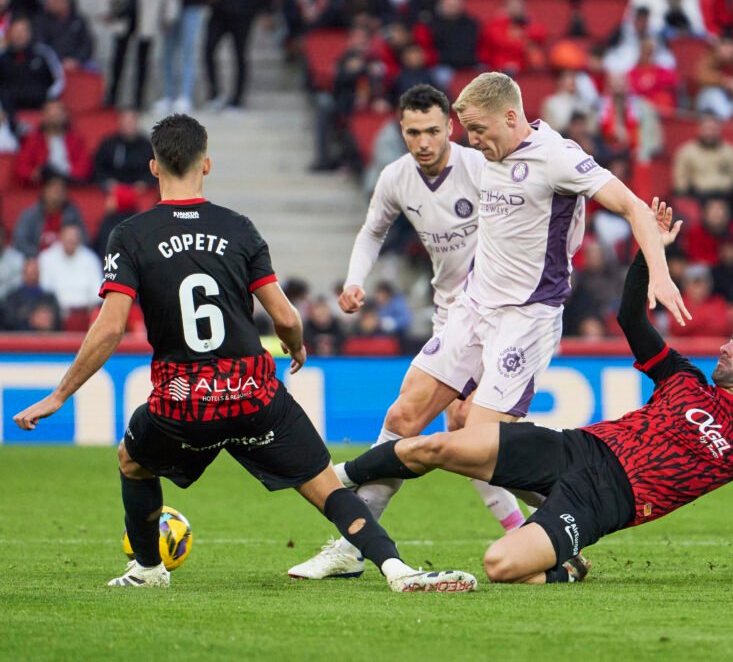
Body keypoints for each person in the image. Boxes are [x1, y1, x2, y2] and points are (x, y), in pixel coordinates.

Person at [12, 114, 476, 593]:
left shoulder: (130, 235)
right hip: (252, 390)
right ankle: (397, 570)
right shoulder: (239, 229)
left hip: (184, 399)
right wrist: (295, 348)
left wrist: (60, 395)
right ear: (206, 164)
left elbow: (109, 329)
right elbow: (286, 317)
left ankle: (149, 570)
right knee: (324, 487)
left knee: (132, 460)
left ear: (153, 167)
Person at [294, 72, 690, 576]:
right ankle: (353, 548)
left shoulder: (557, 157)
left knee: (479, 449)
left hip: (526, 319)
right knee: (405, 413)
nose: (470, 141)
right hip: (472, 305)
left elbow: (634, 206)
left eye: (476, 130)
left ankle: (562, 524)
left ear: (510, 116)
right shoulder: (481, 156)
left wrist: (659, 270)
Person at [331, 201, 733, 586]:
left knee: (500, 565)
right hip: (577, 447)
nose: (726, 348)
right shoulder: (684, 377)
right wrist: (651, 252)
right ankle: (331, 478)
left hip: (607, 499)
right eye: (731, 340)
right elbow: (630, 318)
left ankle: (568, 569)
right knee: (436, 445)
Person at [288, 84, 527, 579]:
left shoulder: (481, 168)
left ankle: (553, 521)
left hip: (499, 316)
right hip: (450, 317)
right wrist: (355, 280)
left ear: (450, 129)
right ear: (402, 131)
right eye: (414, 132)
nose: (423, 142)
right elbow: (373, 230)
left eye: (433, 131)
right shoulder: (396, 177)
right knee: (425, 421)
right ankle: (354, 547)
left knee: (469, 429)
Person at [0, 16, 64, 113]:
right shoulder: (2, 56)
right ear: (10, 33)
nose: (19, 35)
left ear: (30, 33)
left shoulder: (43, 53)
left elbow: (59, 79)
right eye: (16, 31)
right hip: (8, 108)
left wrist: (48, 95)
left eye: (23, 30)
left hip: (41, 105)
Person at [93, 109, 157, 189]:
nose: (129, 126)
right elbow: (99, 167)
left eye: (131, 122)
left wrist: (145, 182)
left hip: (140, 191)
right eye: (126, 123)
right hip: (113, 190)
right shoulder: (108, 144)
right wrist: (107, 180)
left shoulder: (146, 146)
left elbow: (154, 170)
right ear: (120, 123)